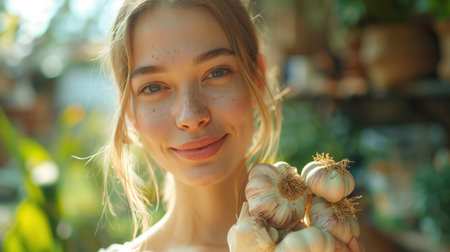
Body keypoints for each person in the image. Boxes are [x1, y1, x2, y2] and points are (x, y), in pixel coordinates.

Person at [99, 0, 364, 251]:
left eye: (217, 72)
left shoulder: (327, 244)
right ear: (129, 111)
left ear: (257, 79)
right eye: (153, 87)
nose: (191, 115)